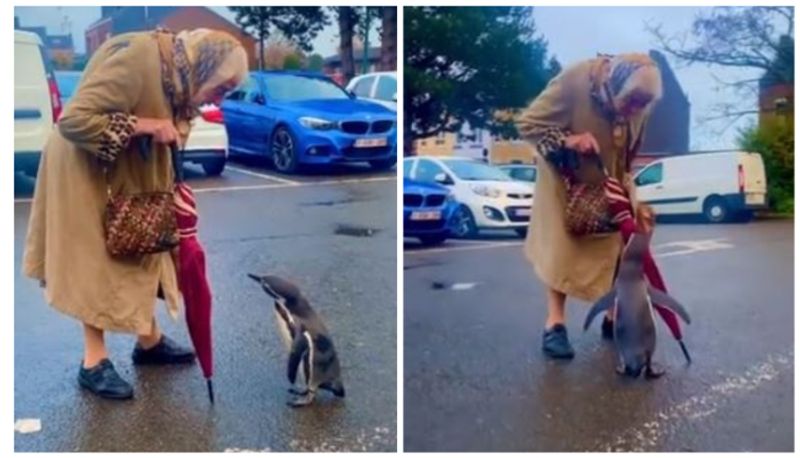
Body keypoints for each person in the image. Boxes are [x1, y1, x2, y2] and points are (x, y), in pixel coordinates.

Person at [23, 28, 249, 399]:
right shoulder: (138, 59)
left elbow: (170, 129)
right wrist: (145, 126)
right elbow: (75, 120)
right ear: (204, 66)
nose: (217, 99)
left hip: (131, 173)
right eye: (221, 88)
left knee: (148, 248)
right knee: (96, 263)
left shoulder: (179, 76)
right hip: (86, 173)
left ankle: (149, 342)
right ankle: (93, 363)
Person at [516, 53, 664, 359]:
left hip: (612, 182)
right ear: (615, 83)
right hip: (565, 183)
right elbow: (528, 125)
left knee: (620, 250)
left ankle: (613, 316)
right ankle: (554, 325)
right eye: (632, 102)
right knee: (562, 253)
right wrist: (570, 140)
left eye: (642, 105)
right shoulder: (574, 81)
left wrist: (626, 191)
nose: (635, 110)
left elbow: (629, 147)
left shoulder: (641, 104)